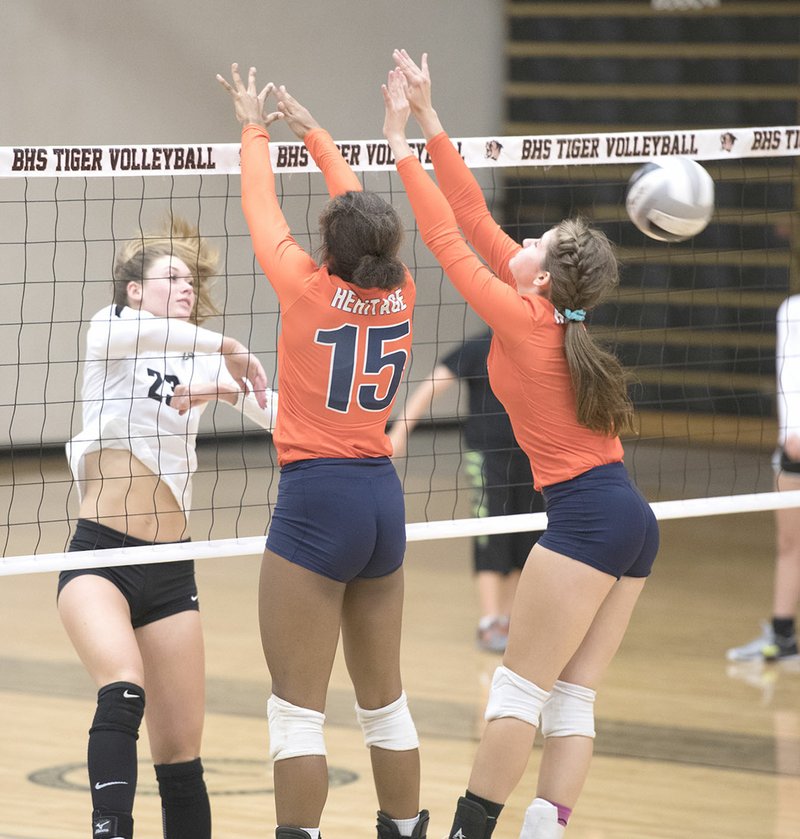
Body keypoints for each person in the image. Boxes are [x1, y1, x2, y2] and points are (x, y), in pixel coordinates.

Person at [383, 51, 659, 839]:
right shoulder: (554, 314)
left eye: (536, 240)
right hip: (629, 519)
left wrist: (397, 143)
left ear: (541, 277)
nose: (523, 239)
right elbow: (471, 215)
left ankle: (471, 831)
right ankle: (547, 826)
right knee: (571, 698)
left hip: (586, 522)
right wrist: (432, 117)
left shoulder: (522, 317)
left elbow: (442, 236)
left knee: (518, 692)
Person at [217, 64, 428, 839]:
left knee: (296, 711)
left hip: (316, 500)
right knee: (387, 701)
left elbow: (258, 203)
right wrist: (317, 134)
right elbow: (359, 212)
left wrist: (254, 125)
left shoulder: (305, 286)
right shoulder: (402, 291)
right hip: (382, 498)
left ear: (326, 248)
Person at [57, 216, 277, 839]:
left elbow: (281, 420)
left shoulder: (191, 357)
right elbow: (162, 336)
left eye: (190, 279)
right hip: (100, 560)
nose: (186, 287)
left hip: (170, 570)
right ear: (134, 290)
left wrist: (229, 392)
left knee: (181, 758)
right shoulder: (110, 329)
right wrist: (227, 346)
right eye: (171, 277)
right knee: (123, 687)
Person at [388, 329, 545, 652]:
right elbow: (434, 383)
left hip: (536, 455)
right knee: (490, 534)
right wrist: (401, 430)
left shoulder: (539, 339)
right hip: (487, 456)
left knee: (528, 537)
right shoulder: (480, 345)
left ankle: (509, 619)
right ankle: (489, 621)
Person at [727, 294, 800, 663]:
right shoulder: (793, 310)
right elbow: (789, 378)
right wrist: (792, 436)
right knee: (790, 543)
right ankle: (783, 636)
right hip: (794, 452)